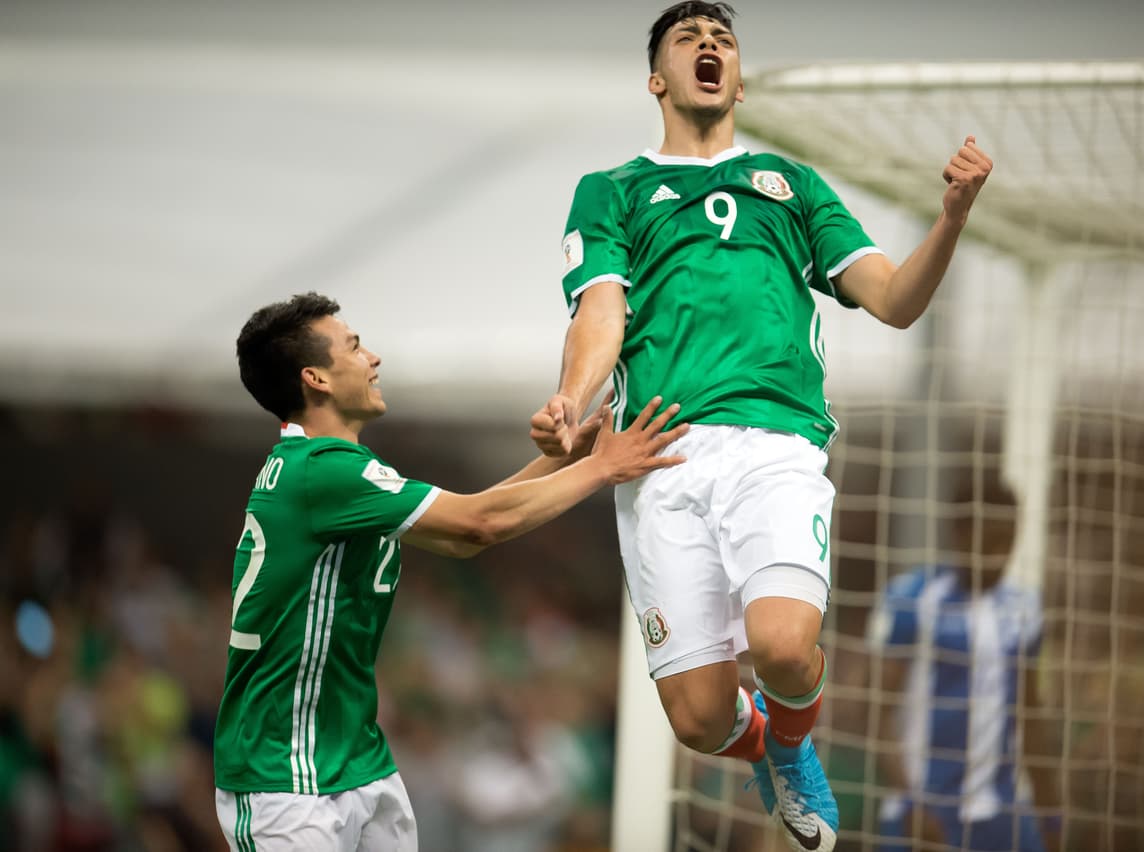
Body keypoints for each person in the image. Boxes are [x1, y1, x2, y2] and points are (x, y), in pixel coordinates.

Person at [527, 3, 993, 849]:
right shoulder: (613, 190)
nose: (710, 45)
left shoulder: (794, 185)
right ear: (657, 78)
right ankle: (762, 747)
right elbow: (601, 314)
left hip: (774, 445)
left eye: (725, 39)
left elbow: (892, 300)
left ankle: (791, 743)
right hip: (659, 456)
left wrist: (952, 218)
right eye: (688, 38)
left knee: (783, 649)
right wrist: (569, 398)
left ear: (737, 78)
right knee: (699, 722)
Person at [213, 292, 688, 851]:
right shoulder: (322, 473)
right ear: (315, 378)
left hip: (356, 761)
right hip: (283, 778)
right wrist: (602, 470)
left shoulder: (334, 471)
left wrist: (569, 459)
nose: (374, 358)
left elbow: (464, 531)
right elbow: (479, 524)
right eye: (356, 347)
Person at [866, 478, 1062, 852]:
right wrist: (911, 800)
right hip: (921, 817)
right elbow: (876, 713)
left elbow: (1031, 714)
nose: (1000, 557)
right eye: (990, 543)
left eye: (1009, 542)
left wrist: (1050, 811)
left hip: (1001, 816)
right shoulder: (912, 597)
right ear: (959, 533)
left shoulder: (1025, 608)